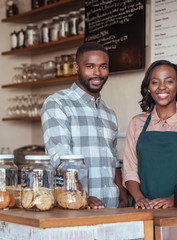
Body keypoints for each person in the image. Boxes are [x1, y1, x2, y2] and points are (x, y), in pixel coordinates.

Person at [41, 42, 128, 209]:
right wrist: (82, 196)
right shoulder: (57, 103)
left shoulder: (109, 113)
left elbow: (113, 160)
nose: (97, 73)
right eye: (90, 66)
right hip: (76, 205)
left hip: (112, 206)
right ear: (76, 68)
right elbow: (60, 158)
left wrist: (123, 198)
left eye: (103, 66)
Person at [122, 60, 177, 209]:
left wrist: (174, 199)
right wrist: (139, 198)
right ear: (148, 88)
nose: (162, 87)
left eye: (169, 81)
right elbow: (129, 171)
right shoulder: (137, 122)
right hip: (144, 208)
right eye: (155, 82)